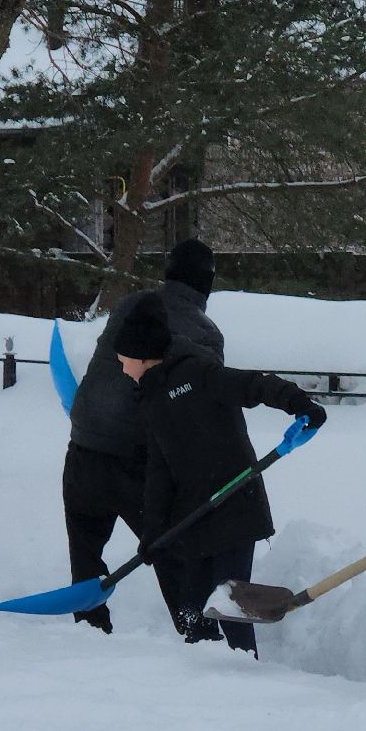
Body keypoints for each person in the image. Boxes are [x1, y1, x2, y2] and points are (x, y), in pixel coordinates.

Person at [115, 299, 327, 655]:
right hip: (194, 516)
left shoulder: (198, 373)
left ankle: (247, 678)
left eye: (123, 361)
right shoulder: (150, 400)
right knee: (192, 611)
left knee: (229, 605)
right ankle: (207, 689)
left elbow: (253, 386)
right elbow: (159, 469)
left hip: (235, 505)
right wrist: (153, 532)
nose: (122, 369)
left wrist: (299, 403)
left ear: (142, 355)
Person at [62, 238, 225, 634]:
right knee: (174, 552)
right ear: (207, 285)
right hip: (137, 465)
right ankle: (198, 633)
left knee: (86, 554)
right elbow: (198, 413)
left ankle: (89, 630)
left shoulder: (129, 306)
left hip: (83, 450)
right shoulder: (206, 334)